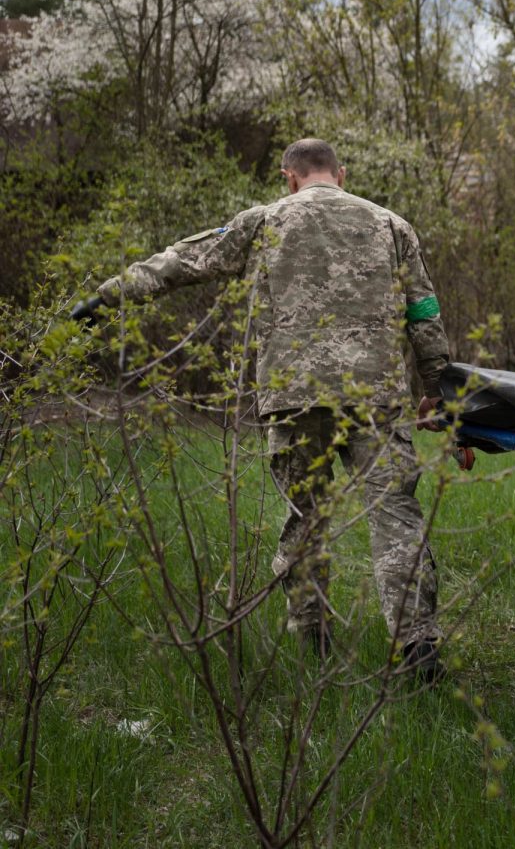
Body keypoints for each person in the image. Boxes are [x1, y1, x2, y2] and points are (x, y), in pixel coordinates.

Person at [70, 138, 451, 682]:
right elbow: (424, 309)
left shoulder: (264, 221)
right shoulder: (392, 225)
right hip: (376, 396)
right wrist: (438, 385)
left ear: (289, 177)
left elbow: (182, 261)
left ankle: (314, 640)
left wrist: (103, 298)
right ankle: (416, 650)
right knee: (395, 516)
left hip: (293, 396)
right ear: (340, 174)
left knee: (306, 518)